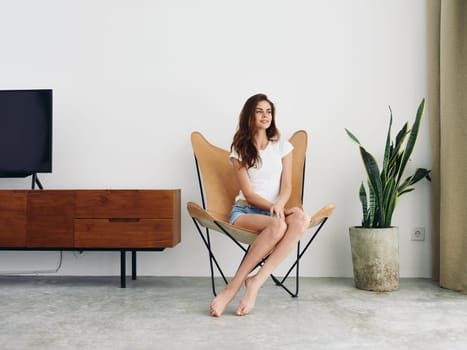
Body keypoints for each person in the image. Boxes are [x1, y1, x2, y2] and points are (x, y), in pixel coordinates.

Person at [210, 93, 310, 317]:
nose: (265, 116)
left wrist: (281, 206)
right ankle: (232, 287)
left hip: (275, 211)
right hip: (245, 210)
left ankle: (255, 282)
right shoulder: (239, 149)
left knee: (301, 219)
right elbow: (249, 193)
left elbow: (286, 187)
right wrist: (279, 211)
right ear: (250, 115)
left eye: (269, 111)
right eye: (259, 111)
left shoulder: (283, 146)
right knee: (278, 226)